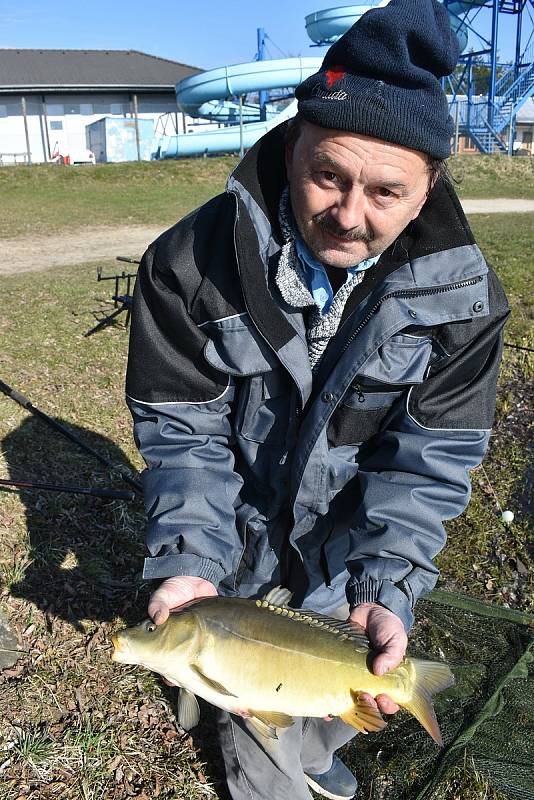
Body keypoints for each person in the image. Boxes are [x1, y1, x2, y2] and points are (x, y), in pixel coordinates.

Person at [125, 1, 509, 798]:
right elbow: (182, 437)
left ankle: (321, 755)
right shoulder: (185, 266)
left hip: (350, 542)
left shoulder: (469, 304)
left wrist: (385, 584)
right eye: (327, 173)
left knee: (344, 688)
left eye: (386, 191)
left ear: (431, 181)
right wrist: (193, 561)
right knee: (249, 727)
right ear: (290, 142)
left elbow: (427, 465)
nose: (349, 215)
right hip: (233, 539)